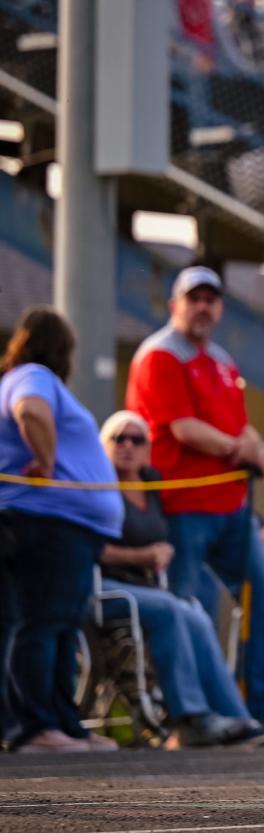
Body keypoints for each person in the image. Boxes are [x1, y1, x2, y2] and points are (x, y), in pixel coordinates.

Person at [125, 266, 264, 723]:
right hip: (182, 508)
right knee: (193, 611)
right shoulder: (159, 355)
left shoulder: (221, 359)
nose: (202, 306)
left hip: (232, 506)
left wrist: (252, 445)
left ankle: (256, 711)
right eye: (193, 298)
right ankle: (201, 716)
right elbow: (183, 429)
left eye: (211, 299)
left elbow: (238, 422)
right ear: (174, 304)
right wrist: (242, 449)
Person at [97, 411, 264, 747]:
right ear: (103, 445)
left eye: (136, 438)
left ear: (147, 448)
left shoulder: (154, 487)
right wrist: (140, 556)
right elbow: (92, 549)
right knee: (171, 608)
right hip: (106, 588)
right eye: (118, 438)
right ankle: (191, 718)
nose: (127, 445)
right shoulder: (96, 490)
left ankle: (238, 719)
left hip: (145, 590)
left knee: (194, 613)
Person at [0, 306, 123, 752]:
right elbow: (30, 411)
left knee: (61, 625)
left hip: (65, 526)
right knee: (41, 624)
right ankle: (32, 728)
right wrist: (47, 461)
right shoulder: (32, 376)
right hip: (47, 522)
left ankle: (63, 723)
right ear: (61, 350)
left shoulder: (30, 377)